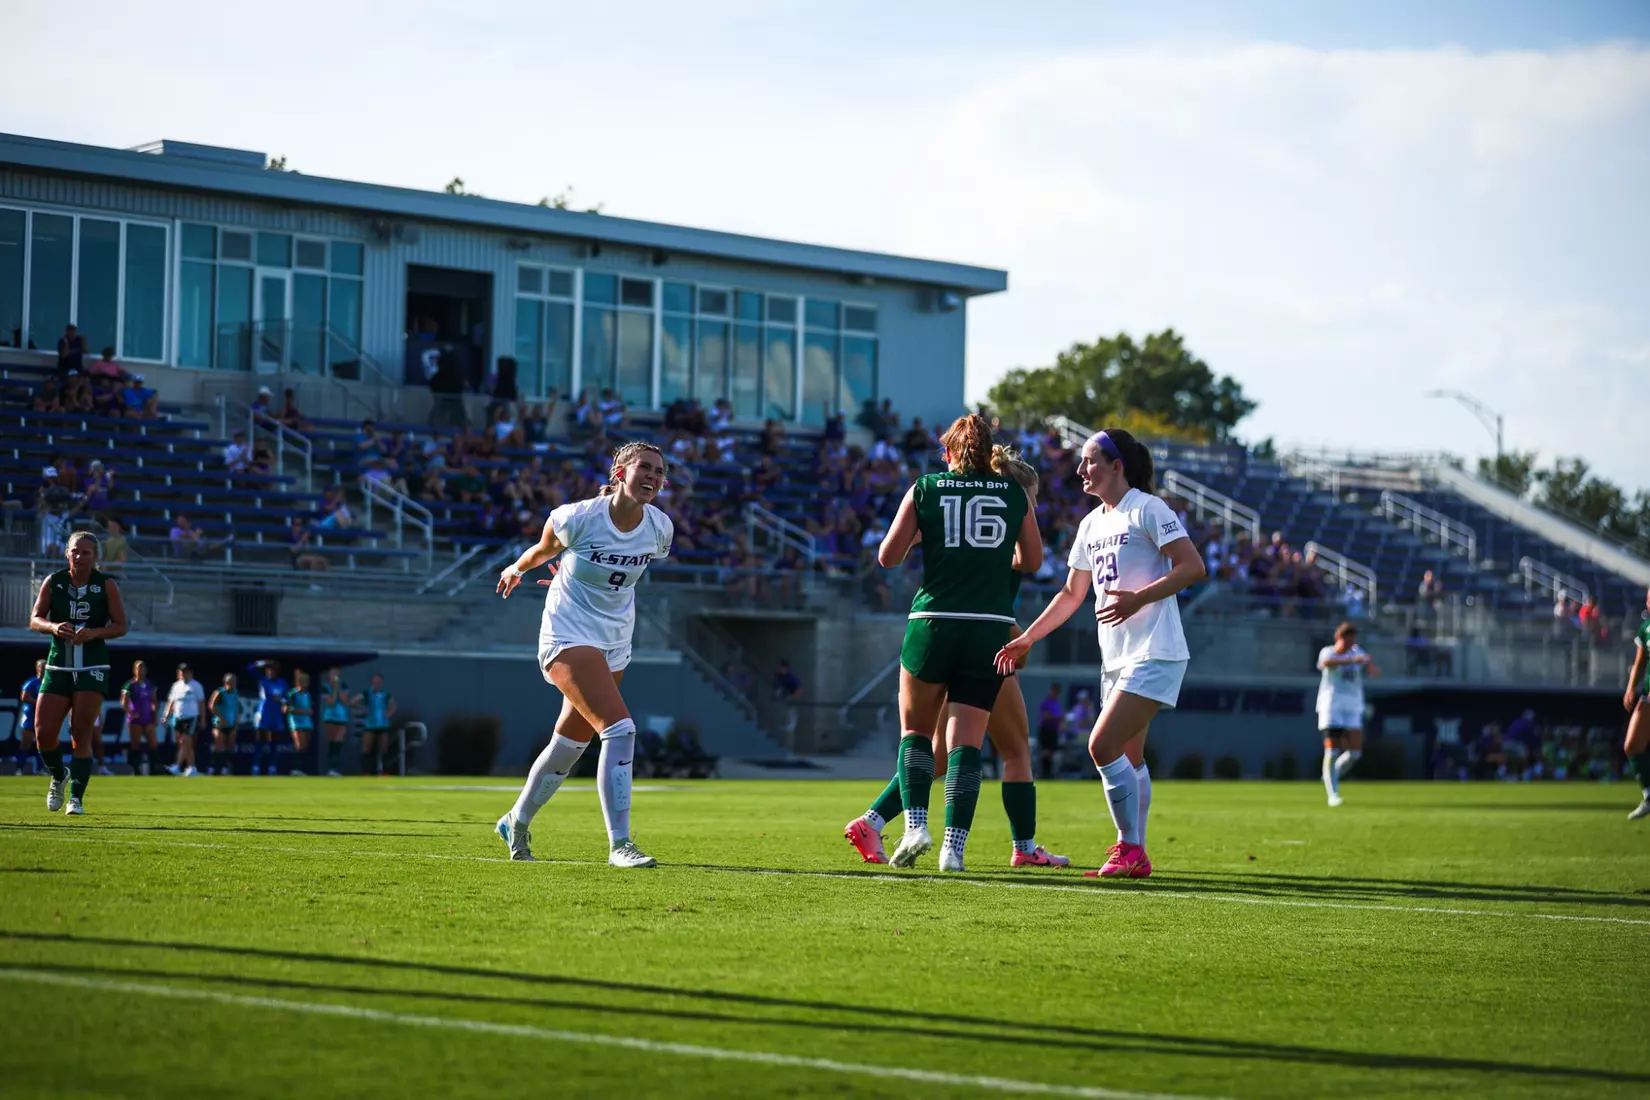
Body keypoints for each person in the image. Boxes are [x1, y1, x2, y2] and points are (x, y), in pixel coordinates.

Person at [996, 428, 1206, 879]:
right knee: (1129, 759)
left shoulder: (1149, 508)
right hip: (1116, 657)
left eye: (1090, 461)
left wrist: (1138, 598)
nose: (1080, 470)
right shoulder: (1091, 524)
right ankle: (1137, 852)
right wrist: (1029, 637)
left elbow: (1193, 567)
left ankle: (1130, 848)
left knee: (1100, 744)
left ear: (1117, 465)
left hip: (1156, 650)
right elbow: (1072, 595)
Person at [845, 448, 1065, 870]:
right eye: (1031, 498)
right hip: (985, 645)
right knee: (1011, 749)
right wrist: (1018, 634)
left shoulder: (965, 519)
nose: (1033, 507)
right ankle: (1023, 845)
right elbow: (1007, 582)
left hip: (969, 638)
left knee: (942, 753)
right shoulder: (1004, 521)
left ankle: (872, 820)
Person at [493, 441, 674, 868]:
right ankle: (620, 845)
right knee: (621, 729)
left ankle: (515, 821)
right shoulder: (577, 517)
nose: (653, 476)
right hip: (567, 632)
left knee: (570, 744)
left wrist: (575, 571)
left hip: (616, 639)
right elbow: (543, 551)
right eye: (644, 467)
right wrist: (517, 569)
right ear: (619, 472)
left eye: (660, 472)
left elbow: (615, 575)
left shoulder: (660, 528)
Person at [28, 532, 128, 815]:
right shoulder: (54, 581)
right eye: (75, 551)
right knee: (43, 733)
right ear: (66, 554)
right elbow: (35, 618)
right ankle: (59, 775)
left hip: (92, 666)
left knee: (81, 733)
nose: (80, 556)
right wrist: (53, 627)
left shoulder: (106, 584)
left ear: (95, 556)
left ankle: (76, 798)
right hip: (58, 663)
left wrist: (95, 632)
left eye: (86, 552)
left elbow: (121, 625)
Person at [1316, 622, 1380, 807]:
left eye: (1353, 638)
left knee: (1355, 753)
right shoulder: (1328, 652)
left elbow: (1370, 666)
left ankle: (1330, 773)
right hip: (1332, 705)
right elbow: (1326, 664)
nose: (1350, 642)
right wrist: (1352, 661)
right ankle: (1333, 794)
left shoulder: (1357, 651)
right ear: (1339, 637)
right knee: (1332, 749)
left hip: (1353, 706)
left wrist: (1372, 668)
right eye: (1347, 638)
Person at [1623, 587, 1650, 821]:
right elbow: (1640, 661)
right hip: (1649, 696)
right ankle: (1649, 796)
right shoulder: (1646, 629)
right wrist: (1631, 688)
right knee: (1632, 745)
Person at [162, 663, 206, 777]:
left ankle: (190, 767)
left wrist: (203, 720)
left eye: (186, 672)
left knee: (186, 740)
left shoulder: (196, 686)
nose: (183, 674)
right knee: (183, 743)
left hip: (191, 717)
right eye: (181, 672)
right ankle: (180, 767)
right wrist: (166, 715)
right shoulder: (176, 686)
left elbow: (201, 703)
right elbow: (171, 702)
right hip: (178, 717)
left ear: (190, 673)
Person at [248, 659, 288, 776]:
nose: (270, 673)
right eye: (268, 670)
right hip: (263, 714)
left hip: (276, 716)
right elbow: (250, 669)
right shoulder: (263, 680)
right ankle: (256, 767)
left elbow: (287, 696)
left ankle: (272, 767)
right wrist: (260, 663)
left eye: (272, 670)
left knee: (274, 743)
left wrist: (284, 702)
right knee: (260, 742)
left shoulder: (282, 683)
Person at [120, 660, 159, 776]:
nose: (141, 671)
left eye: (143, 668)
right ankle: (136, 770)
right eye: (139, 668)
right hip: (135, 720)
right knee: (135, 744)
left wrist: (155, 716)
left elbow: (154, 701)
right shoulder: (130, 685)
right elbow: (124, 702)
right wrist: (130, 712)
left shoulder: (149, 684)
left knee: (153, 743)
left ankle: (153, 769)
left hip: (148, 719)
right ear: (134, 670)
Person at [319, 667, 359, 777]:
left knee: (338, 742)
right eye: (333, 674)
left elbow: (346, 701)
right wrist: (334, 689)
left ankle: (334, 768)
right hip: (330, 717)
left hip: (342, 718)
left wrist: (338, 687)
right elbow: (331, 701)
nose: (335, 676)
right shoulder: (325, 687)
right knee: (332, 743)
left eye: (337, 674)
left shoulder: (344, 685)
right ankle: (330, 768)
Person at [206, 672, 244, 776]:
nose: (233, 684)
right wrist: (220, 717)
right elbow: (211, 706)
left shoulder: (236, 693)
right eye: (231, 682)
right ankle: (213, 767)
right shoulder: (220, 692)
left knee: (230, 746)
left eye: (234, 682)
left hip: (231, 724)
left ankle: (226, 767)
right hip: (219, 724)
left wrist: (236, 721)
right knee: (219, 745)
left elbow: (237, 708)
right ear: (226, 682)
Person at [359, 673, 396, 776]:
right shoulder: (367, 693)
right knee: (366, 749)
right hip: (370, 725)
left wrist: (388, 713)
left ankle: (384, 771)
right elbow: (354, 701)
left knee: (384, 748)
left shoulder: (386, 694)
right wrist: (363, 709)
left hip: (382, 725)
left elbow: (393, 705)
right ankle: (366, 772)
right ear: (372, 682)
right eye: (375, 681)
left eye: (379, 681)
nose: (377, 683)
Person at [14, 659, 44, 775]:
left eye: (46, 668)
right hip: (30, 715)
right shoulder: (32, 682)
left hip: (42, 716)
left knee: (41, 743)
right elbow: (24, 697)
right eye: (42, 667)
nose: (44, 670)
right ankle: (19, 769)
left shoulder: (48, 683)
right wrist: (38, 702)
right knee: (25, 743)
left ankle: (40, 769)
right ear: (37, 669)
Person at [286, 670, 315, 776]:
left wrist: (309, 711)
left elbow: (309, 707)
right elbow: (286, 709)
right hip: (296, 722)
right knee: (299, 745)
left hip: (307, 722)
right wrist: (304, 711)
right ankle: (295, 769)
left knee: (304, 747)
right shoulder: (292, 693)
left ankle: (300, 769)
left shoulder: (308, 694)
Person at [1036, 682, 1065, 781]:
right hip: (1046, 730)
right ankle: (1044, 773)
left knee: (1051, 753)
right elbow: (1045, 716)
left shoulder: (1056, 703)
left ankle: (1049, 773)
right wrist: (1057, 718)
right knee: (1046, 752)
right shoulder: (1046, 702)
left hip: (1053, 730)